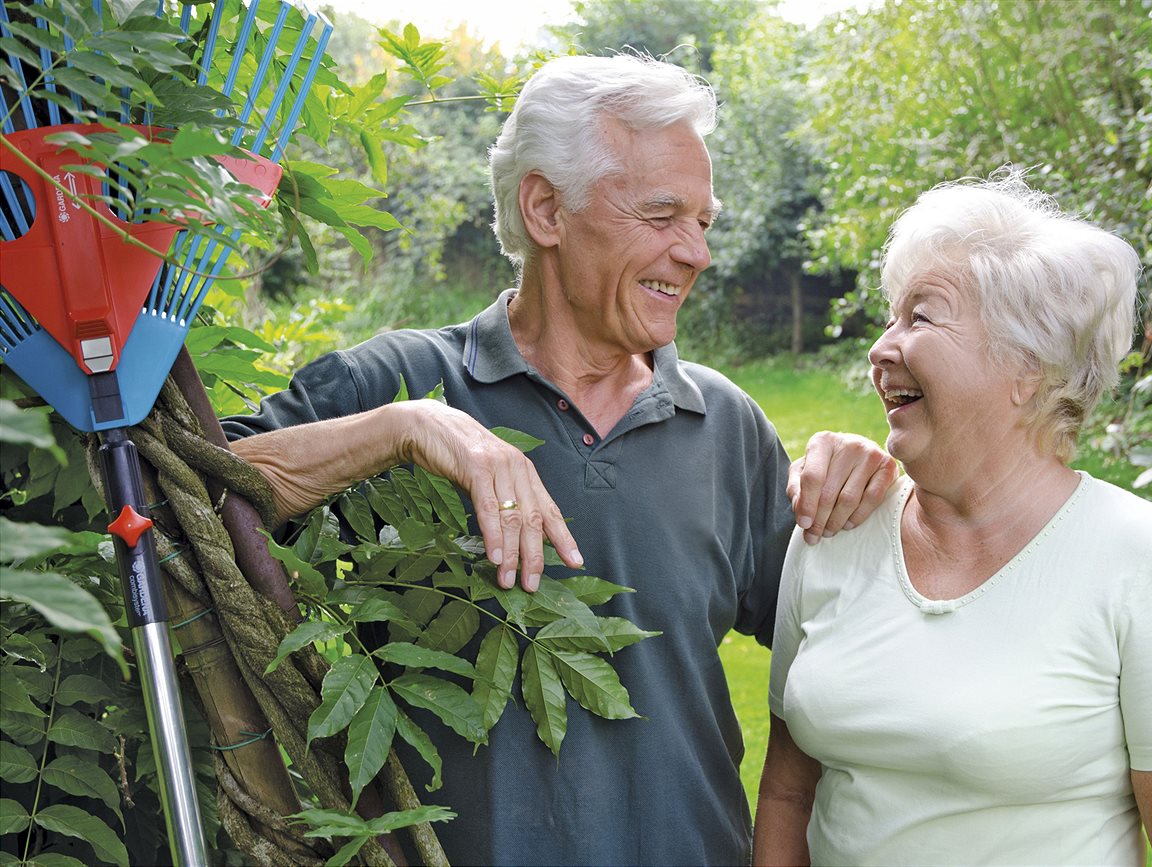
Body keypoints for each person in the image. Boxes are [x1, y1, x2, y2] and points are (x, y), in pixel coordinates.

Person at [223, 53, 896, 864]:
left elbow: (844, 643)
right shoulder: (396, 383)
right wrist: (409, 429)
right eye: (661, 215)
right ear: (545, 208)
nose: (697, 254)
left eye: (703, 222)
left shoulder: (725, 426)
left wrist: (860, 483)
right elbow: (186, 499)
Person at [754, 170, 1152, 866]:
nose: (879, 349)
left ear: (1027, 363)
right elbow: (787, 793)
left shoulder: (1147, 555)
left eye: (921, 317)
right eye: (890, 317)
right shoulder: (833, 528)